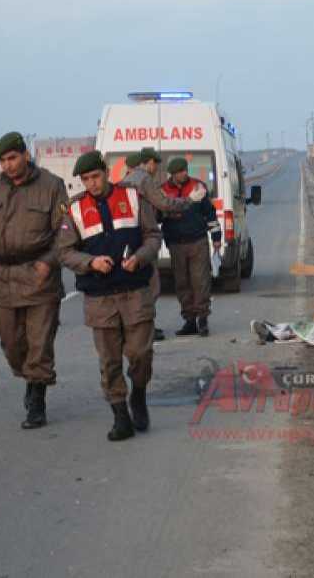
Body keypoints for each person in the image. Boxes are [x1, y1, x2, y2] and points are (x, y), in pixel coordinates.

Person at [57, 151, 161, 441]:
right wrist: (90, 262)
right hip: (99, 298)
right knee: (109, 361)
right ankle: (121, 417)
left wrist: (140, 257)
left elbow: (153, 236)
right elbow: (64, 251)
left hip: (134, 292)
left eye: (95, 176)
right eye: (86, 179)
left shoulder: (132, 197)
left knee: (141, 354)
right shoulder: (74, 210)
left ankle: (138, 395)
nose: (92, 183)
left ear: (106, 172)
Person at [0, 131, 68, 430]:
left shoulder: (51, 185)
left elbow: (65, 229)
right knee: (11, 342)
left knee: (39, 341)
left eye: (13, 158)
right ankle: (28, 377)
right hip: (4, 277)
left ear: (25, 155)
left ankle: (37, 399)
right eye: (3, 161)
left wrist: (48, 262)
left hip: (39, 277)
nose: (8, 166)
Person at [120, 146, 204, 342]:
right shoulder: (145, 180)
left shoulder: (125, 181)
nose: (156, 169)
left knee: (133, 286)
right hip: (144, 238)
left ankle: (133, 326)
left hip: (128, 238)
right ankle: (148, 328)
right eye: (156, 165)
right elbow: (165, 203)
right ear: (149, 162)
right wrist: (189, 200)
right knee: (151, 285)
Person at [160, 157, 221, 337]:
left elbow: (210, 214)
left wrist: (216, 237)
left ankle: (202, 319)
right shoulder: (163, 190)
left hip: (197, 241)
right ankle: (189, 320)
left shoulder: (198, 187)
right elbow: (157, 216)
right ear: (172, 174)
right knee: (182, 283)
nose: (184, 174)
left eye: (185, 170)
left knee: (200, 281)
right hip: (176, 244)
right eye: (180, 172)